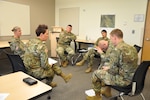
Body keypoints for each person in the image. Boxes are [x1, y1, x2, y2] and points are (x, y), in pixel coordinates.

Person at [86, 29, 138, 100]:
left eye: (111, 39)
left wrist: (108, 68)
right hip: (134, 79)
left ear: (115, 38)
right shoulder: (132, 48)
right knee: (107, 69)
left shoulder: (117, 50)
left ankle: (97, 97)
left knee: (96, 73)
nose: (110, 41)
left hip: (123, 81)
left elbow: (113, 71)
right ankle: (107, 91)